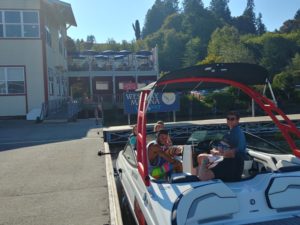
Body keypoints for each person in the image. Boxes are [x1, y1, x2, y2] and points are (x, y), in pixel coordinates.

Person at [195, 111, 246, 182]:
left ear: (237, 120)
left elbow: (234, 152)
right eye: (228, 118)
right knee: (201, 157)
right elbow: (224, 147)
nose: (230, 121)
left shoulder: (235, 133)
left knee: (203, 159)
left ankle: (200, 181)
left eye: (232, 119)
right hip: (228, 159)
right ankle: (199, 178)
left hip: (231, 162)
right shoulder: (232, 132)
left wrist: (217, 153)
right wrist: (216, 150)